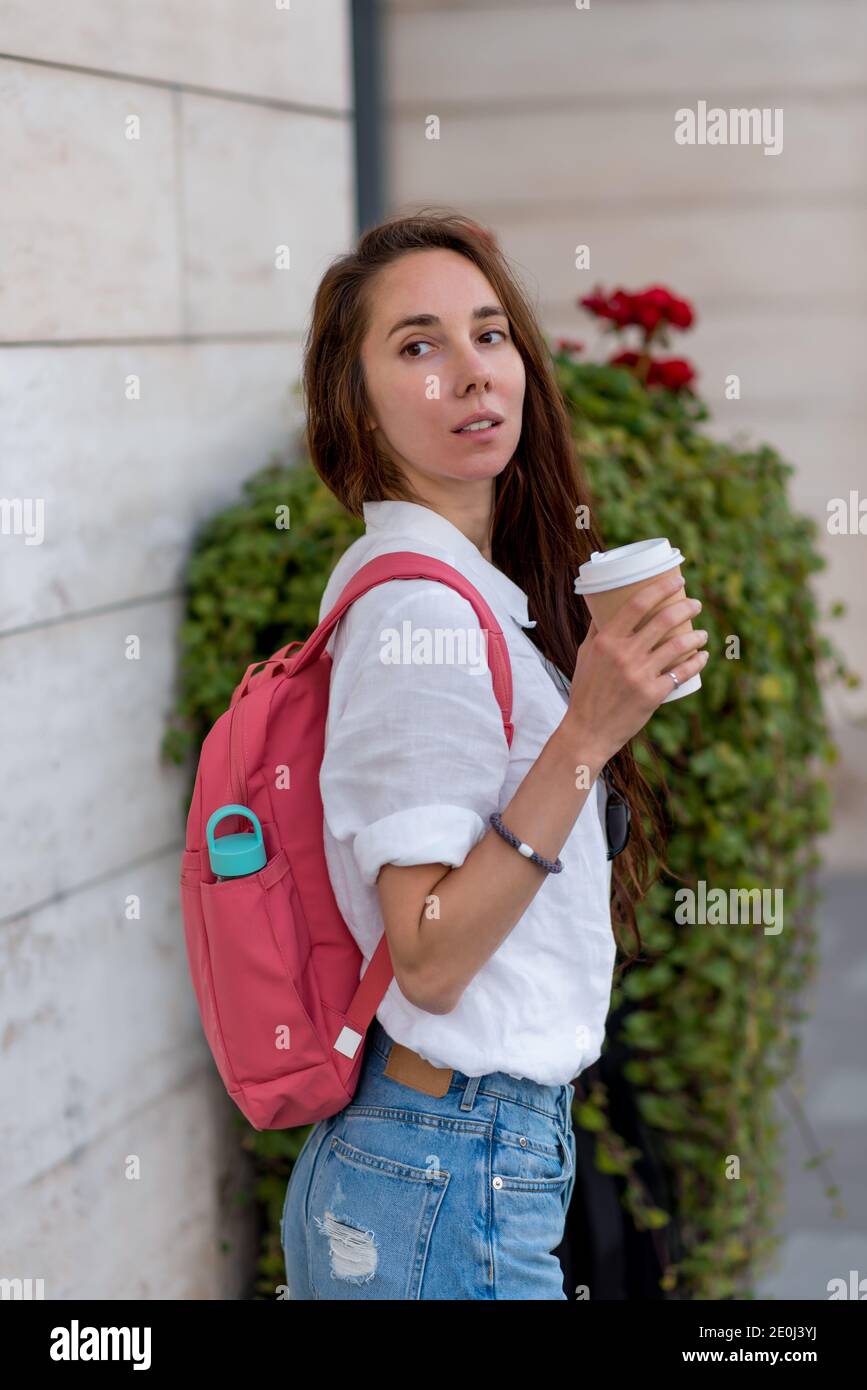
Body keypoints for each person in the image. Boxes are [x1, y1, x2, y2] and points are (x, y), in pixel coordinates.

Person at [279, 209, 709, 1300]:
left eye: (489, 334)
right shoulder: (417, 615)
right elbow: (428, 953)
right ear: (359, 409)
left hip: (449, 1160)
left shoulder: (467, 594)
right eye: (418, 345)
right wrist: (588, 732)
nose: (472, 371)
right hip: (445, 1165)